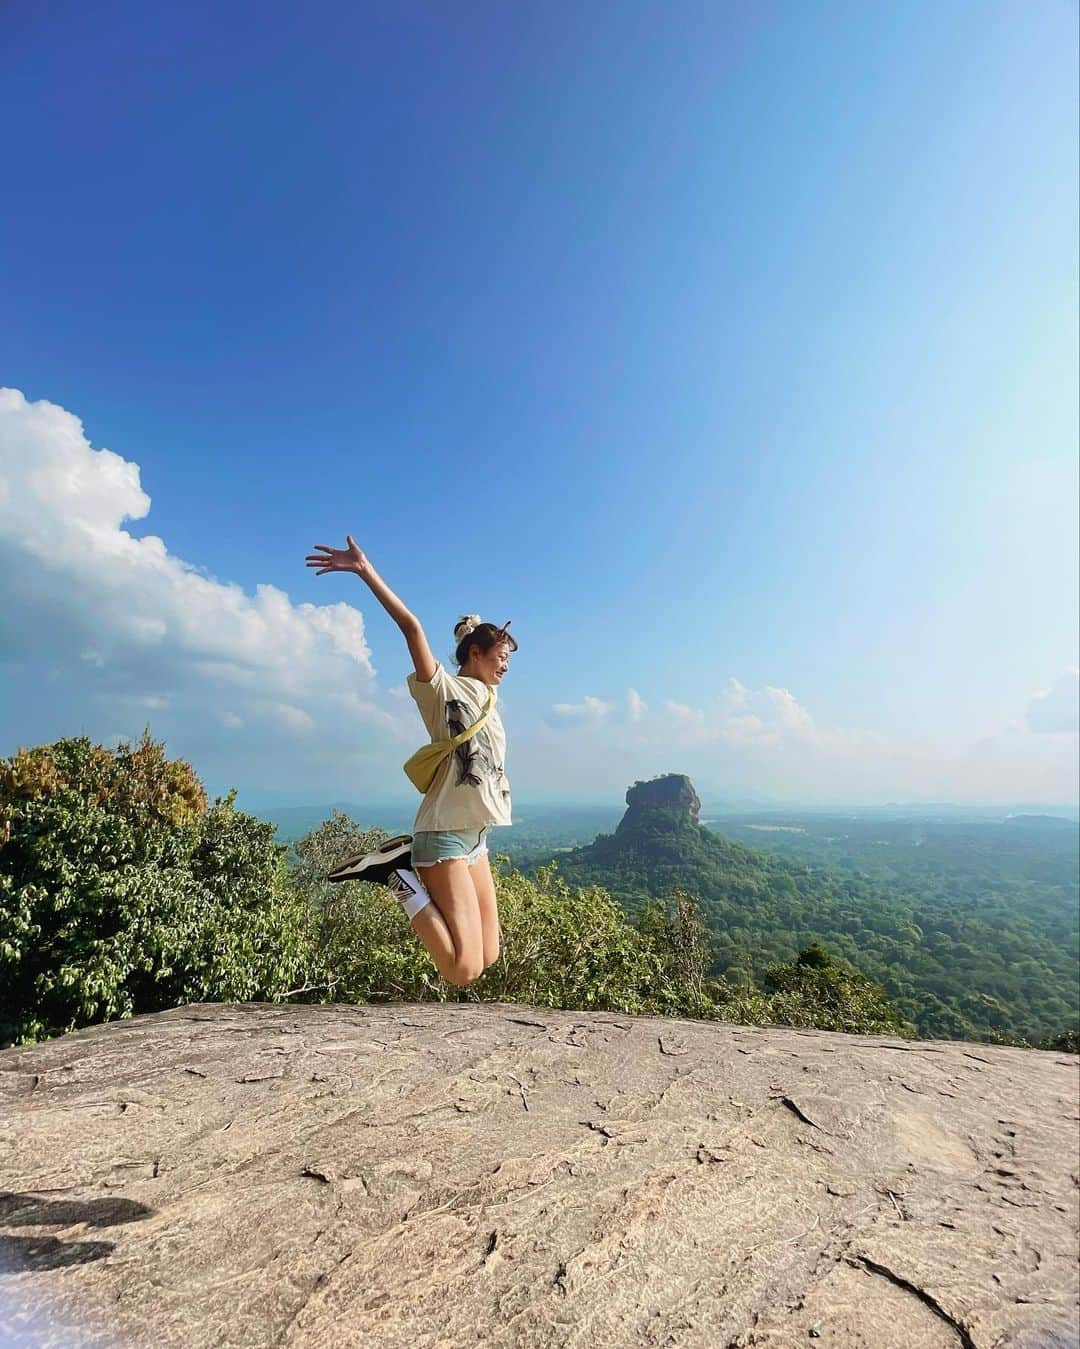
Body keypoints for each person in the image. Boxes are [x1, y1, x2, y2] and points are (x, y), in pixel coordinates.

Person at [305, 535, 516, 987]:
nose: (505, 666)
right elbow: (412, 628)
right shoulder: (442, 690)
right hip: (442, 838)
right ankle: (397, 874)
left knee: (491, 954)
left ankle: (406, 868)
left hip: (475, 837)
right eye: (500, 657)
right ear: (474, 656)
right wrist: (365, 570)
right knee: (461, 969)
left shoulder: (488, 697)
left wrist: (477, 628)